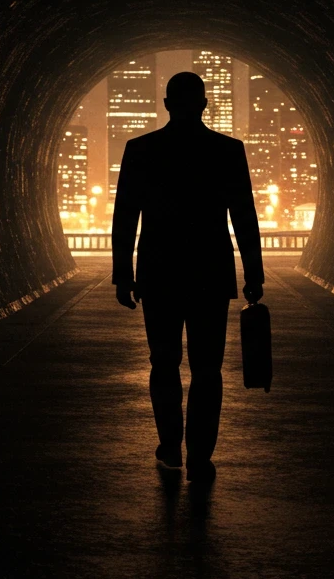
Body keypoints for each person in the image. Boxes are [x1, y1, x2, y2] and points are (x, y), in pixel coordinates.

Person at [112, 71, 264, 483]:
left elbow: (125, 217)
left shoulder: (141, 150)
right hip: (210, 272)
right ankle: (200, 454)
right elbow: (244, 216)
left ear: (166, 104)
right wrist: (254, 272)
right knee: (207, 368)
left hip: (159, 272)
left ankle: (169, 447)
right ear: (203, 104)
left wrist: (122, 275)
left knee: (163, 363)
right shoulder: (227, 150)